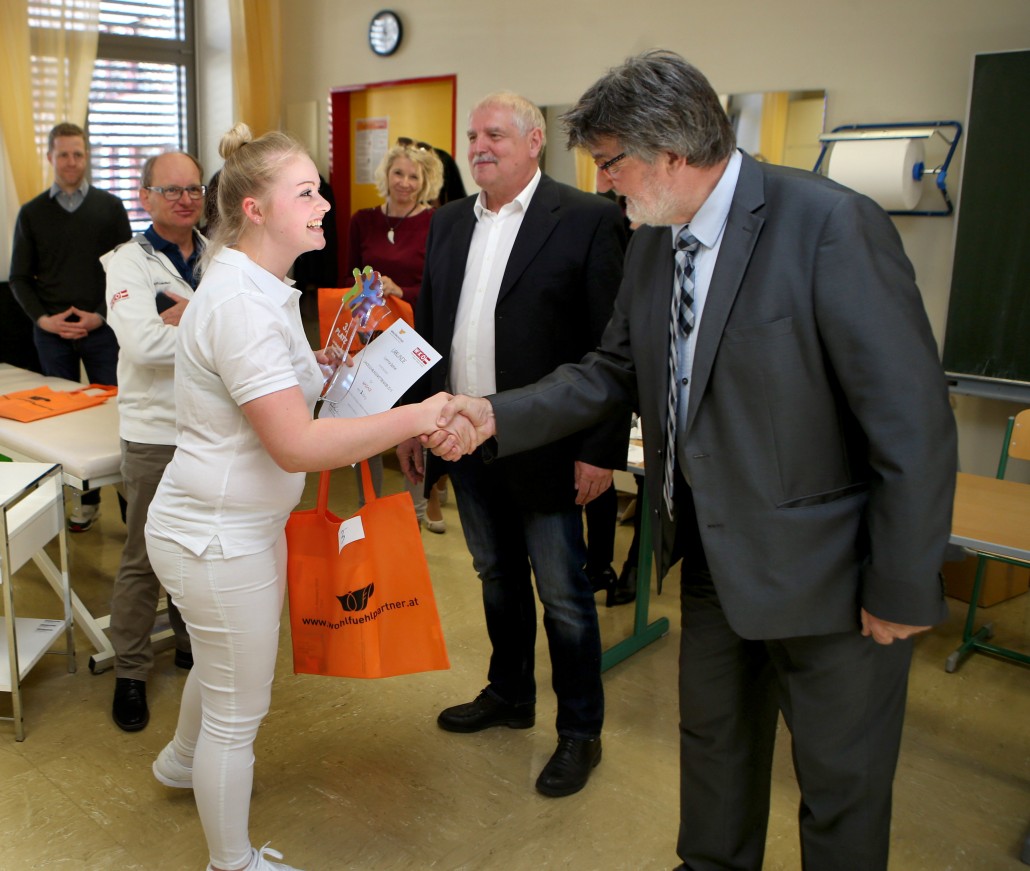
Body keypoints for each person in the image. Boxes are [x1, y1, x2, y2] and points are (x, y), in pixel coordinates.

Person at [429, 51, 957, 870]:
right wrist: (495, 413)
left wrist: (903, 582)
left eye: (612, 162)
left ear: (671, 153)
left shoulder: (827, 225)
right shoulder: (652, 244)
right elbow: (609, 371)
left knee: (839, 781)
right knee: (713, 746)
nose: (603, 182)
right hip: (711, 555)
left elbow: (912, 422)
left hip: (829, 574)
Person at [144, 123, 457, 871]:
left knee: (218, 668)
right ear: (255, 210)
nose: (325, 206)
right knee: (238, 710)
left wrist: (324, 361)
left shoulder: (258, 286)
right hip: (218, 536)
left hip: (223, 524)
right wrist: (418, 415)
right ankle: (232, 861)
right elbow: (295, 444)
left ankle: (181, 762)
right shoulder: (243, 305)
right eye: (307, 193)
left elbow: (277, 388)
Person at [397, 91, 628, 798]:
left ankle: (580, 731)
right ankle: (510, 693)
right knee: (495, 575)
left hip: (549, 444)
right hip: (463, 440)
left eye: (494, 134)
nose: (478, 146)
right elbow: (430, 328)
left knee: (564, 596)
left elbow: (613, 347)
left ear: (534, 142)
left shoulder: (586, 219)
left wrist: (601, 450)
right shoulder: (448, 223)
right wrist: (415, 421)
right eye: (473, 135)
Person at [102, 150, 207, 732]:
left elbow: (251, 324)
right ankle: (131, 673)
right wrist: (212, 328)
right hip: (154, 433)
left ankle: (191, 646)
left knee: (199, 548)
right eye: (171, 190)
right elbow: (143, 347)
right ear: (145, 197)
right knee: (144, 558)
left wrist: (188, 318)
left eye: (193, 189)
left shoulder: (220, 256)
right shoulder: (128, 262)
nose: (185, 200)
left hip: (210, 429)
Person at [9, 121, 132, 531]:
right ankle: (85, 502)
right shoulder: (31, 213)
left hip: (102, 328)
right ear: (50, 157)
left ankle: (131, 507)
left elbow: (125, 270)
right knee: (61, 425)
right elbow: (19, 278)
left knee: (116, 416)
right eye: (63, 154)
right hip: (52, 333)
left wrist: (101, 314)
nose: (71, 161)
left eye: (78, 153)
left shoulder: (110, 208)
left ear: (87, 156)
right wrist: (44, 320)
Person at [347, 140, 447, 529]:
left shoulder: (436, 222)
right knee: (364, 427)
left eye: (413, 176)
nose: (404, 182)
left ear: (426, 182)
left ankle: (414, 516)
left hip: (415, 341)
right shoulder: (362, 220)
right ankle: (366, 511)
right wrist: (364, 289)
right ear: (386, 175)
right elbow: (347, 278)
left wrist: (401, 291)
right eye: (398, 173)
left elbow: (442, 289)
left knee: (415, 427)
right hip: (368, 340)